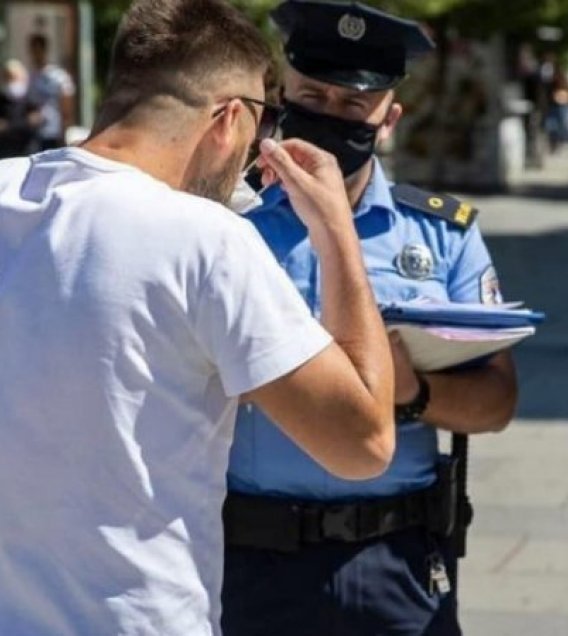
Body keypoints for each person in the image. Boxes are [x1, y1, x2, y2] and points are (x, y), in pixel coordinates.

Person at [0, 0, 397, 633]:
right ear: (230, 118)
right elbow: (363, 443)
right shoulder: (205, 240)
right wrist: (338, 234)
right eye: (263, 122)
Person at [221, 1, 518, 635]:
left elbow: (496, 400)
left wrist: (413, 395)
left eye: (353, 106)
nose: (330, 115)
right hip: (249, 557)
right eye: (312, 96)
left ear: (388, 119)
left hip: (397, 559)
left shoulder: (442, 234)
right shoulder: (224, 224)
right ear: (282, 95)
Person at [26, 33, 76, 150]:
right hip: (36, 132)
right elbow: (29, 104)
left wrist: (64, 131)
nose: (35, 55)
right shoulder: (32, 77)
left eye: (38, 50)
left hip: (53, 131)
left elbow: (66, 106)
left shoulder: (58, 76)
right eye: (33, 51)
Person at [0, 58, 35, 158]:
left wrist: (8, 126)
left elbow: (34, 121)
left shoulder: (30, 99)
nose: (11, 81)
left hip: (26, 149)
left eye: (13, 77)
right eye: (7, 77)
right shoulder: (2, 99)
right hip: (6, 150)